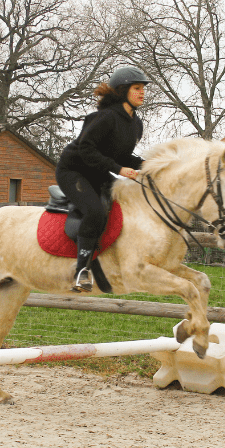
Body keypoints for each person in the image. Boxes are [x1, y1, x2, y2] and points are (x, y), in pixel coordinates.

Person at [55, 65, 151, 292]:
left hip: (98, 172)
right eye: (137, 88)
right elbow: (87, 150)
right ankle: (81, 272)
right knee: (95, 211)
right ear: (123, 91)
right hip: (74, 171)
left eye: (143, 89)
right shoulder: (104, 118)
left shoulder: (135, 123)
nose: (142, 92)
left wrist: (149, 166)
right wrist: (119, 169)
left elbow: (123, 155)